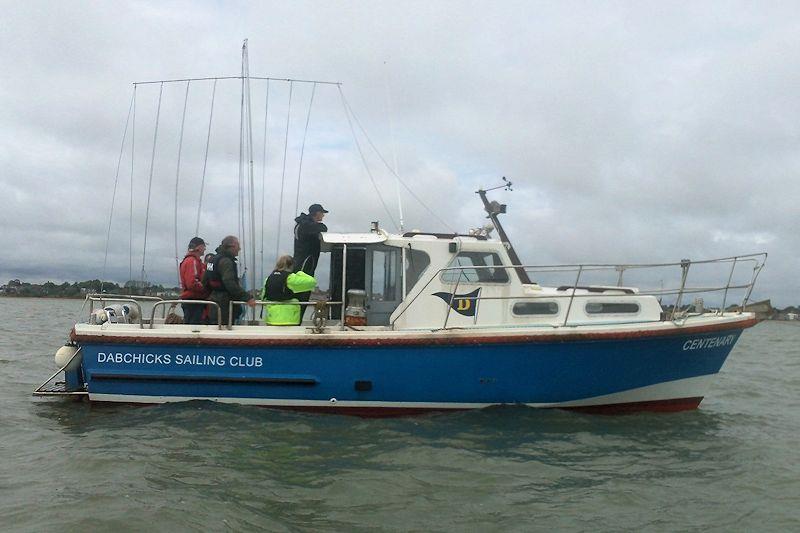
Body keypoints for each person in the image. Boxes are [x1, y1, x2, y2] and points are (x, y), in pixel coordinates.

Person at [203, 235, 255, 326]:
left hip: (213, 301)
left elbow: (204, 281)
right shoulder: (226, 262)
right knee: (225, 328)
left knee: (215, 327)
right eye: (238, 245)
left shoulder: (212, 260)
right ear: (232, 245)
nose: (239, 248)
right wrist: (247, 298)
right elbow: (230, 283)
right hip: (225, 304)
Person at [261, 255, 317, 325]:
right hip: (289, 319)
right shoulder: (291, 278)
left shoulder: (268, 279)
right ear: (291, 265)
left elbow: (263, 297)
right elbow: (312, 282)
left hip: (271, 318)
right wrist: (300, 273)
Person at [179, 237, 210, 324]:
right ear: (199, 247)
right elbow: (192, 283)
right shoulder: (192, 261)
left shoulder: (192, 261)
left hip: (193, 301)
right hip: (193, 302)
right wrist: (206, 289)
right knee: (194, 327)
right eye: (204, 246)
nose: (205, 249)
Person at [293, 203, 329, 276]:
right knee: (303, 283)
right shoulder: (306, 225)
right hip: (304, 262)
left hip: (301, 261)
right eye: (322, 213)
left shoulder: (302, 224)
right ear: (317, 213)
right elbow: (323, 228)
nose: (323, 215)